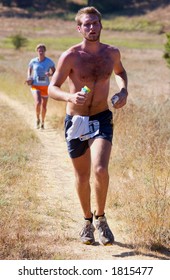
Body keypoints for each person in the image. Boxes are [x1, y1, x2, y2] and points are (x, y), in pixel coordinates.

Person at [48, 6, 128, 245]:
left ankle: (101, 218)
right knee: (82, 176)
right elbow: (53, 88)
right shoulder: (71, 56)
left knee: (100, 169)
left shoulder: (111, 53)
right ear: (79, 28)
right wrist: (69, 98)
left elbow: (121, 72)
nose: (92, 27)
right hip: (77, 121)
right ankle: (86, 222)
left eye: (95, 23)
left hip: (101, 117)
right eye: (87, 24)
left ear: (101, 25)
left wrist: (123, 91)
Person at [26, 44, 55, 129]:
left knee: (44, 106)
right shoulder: (33, 61)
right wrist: (29, 76)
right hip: (35, 85)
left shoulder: (49, 61)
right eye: (39, 50)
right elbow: (29, 69)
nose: (41, 52)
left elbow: (55, 72)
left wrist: (49, 74)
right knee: (38, 102)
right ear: (37, 51)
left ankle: (42, 121)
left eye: (42, 50)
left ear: (44, 51)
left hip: (45, 86)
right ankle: (37, 119)